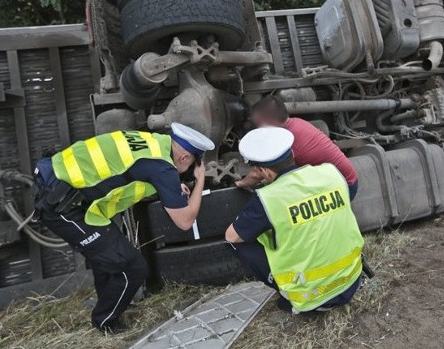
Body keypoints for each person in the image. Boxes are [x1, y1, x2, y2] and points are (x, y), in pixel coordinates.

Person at [32, 123, 214, 332]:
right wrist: (199, 180)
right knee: (132, 267)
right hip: (61, 206)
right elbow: (185, 221)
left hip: (63, 187)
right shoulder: (163, 168)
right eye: (191, 166)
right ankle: (105, 322)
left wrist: (170, 188)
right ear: (183, 158)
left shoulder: (153, 141)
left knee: (107, 258)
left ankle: (109, 306)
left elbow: (134, 170)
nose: (188, 172)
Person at [225, 127, 365, 313]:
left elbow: (232, 236)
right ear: (291, 153)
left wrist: (244, 185)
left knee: (236, 241)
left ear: (263, 171)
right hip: (351, 280)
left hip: (313, 299)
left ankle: (289, 294)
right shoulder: (331, 173)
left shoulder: (269, 198)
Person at [236, 96, 359, 200]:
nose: (258, 129)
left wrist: (241, 183)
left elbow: (259, 172)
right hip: (342, 178)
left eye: (258, 125)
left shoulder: (289, 141)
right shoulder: (296, 122)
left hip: (343, 186)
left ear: (269, 122)